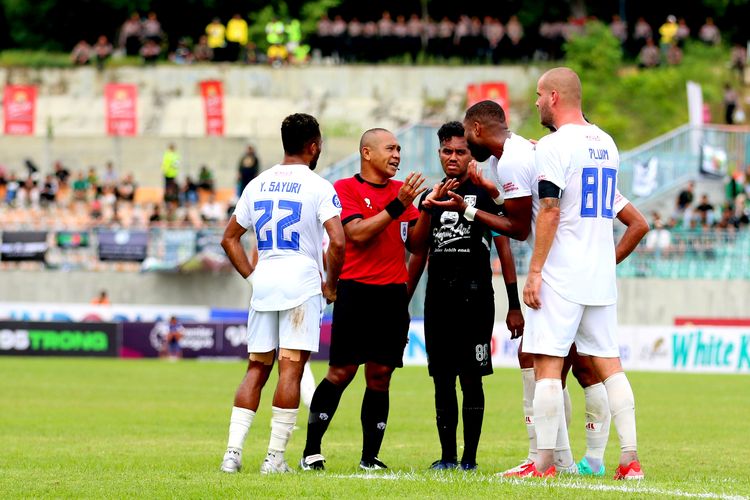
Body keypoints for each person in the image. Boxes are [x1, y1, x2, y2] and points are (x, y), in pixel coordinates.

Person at [514, 67, 643, 479]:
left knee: (548, 364)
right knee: (610, 364)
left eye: (538, 95)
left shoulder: (555, 145)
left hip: (561, 272)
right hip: (598, 274)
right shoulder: (606, 142)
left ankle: (545, 464)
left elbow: (550, 210)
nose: (535, 102)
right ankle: (630, 459)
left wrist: (534, 272)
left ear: (554, 97)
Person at [218, 113, 345, 475]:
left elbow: (229, 238)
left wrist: (252, 277)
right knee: (291, 370)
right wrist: (331, 284)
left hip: (265, 283)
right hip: (301, 283)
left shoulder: (257, 183)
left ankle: (232, 454)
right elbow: (337, 240)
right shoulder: (319, 185)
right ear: (314, 146)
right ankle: (274, 458)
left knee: (256, 368)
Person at [300, 128, 428, 472]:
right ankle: (311, 450)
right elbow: (356, 233)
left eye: (400, 149)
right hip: (355, 291)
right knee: (341, 372)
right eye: (390, 148)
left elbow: (416, 245)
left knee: (381, 375)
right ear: (367, 153)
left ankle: (369, 457)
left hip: (391, 296)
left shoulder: (403, 192)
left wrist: (427, 210)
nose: (397, 155)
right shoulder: (344, 188)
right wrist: (397, 206)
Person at [407, 121, 525, 471]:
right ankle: (447, 457)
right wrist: (428, 209)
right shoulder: (429, 196)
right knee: (441, 378)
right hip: (438, 300)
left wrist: (514, 305)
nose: (453, 158)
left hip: (475, 301)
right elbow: (416, 249)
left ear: (472, 155)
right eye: (447, 151)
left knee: (471, 377)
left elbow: (504, 251)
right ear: (439, 153)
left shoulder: (486, 193)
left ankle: (469, 460)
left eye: (461, 151)